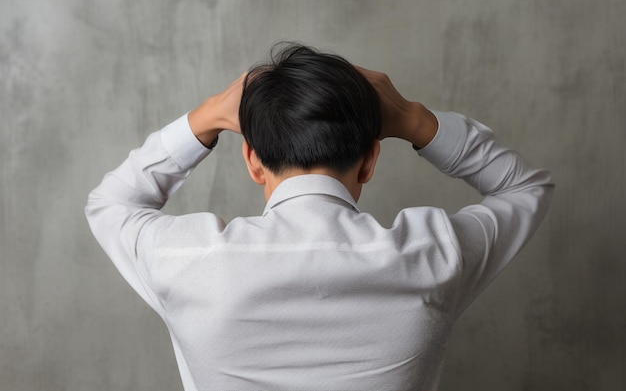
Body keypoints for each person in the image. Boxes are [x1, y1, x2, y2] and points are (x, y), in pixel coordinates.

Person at [85, 44, 553, 391]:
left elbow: (111, 204)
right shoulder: (434, 252)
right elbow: (525, 187)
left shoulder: (185, 257)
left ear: (252, 160)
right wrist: (412, 118)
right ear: (370, 161)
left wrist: (205, 118)